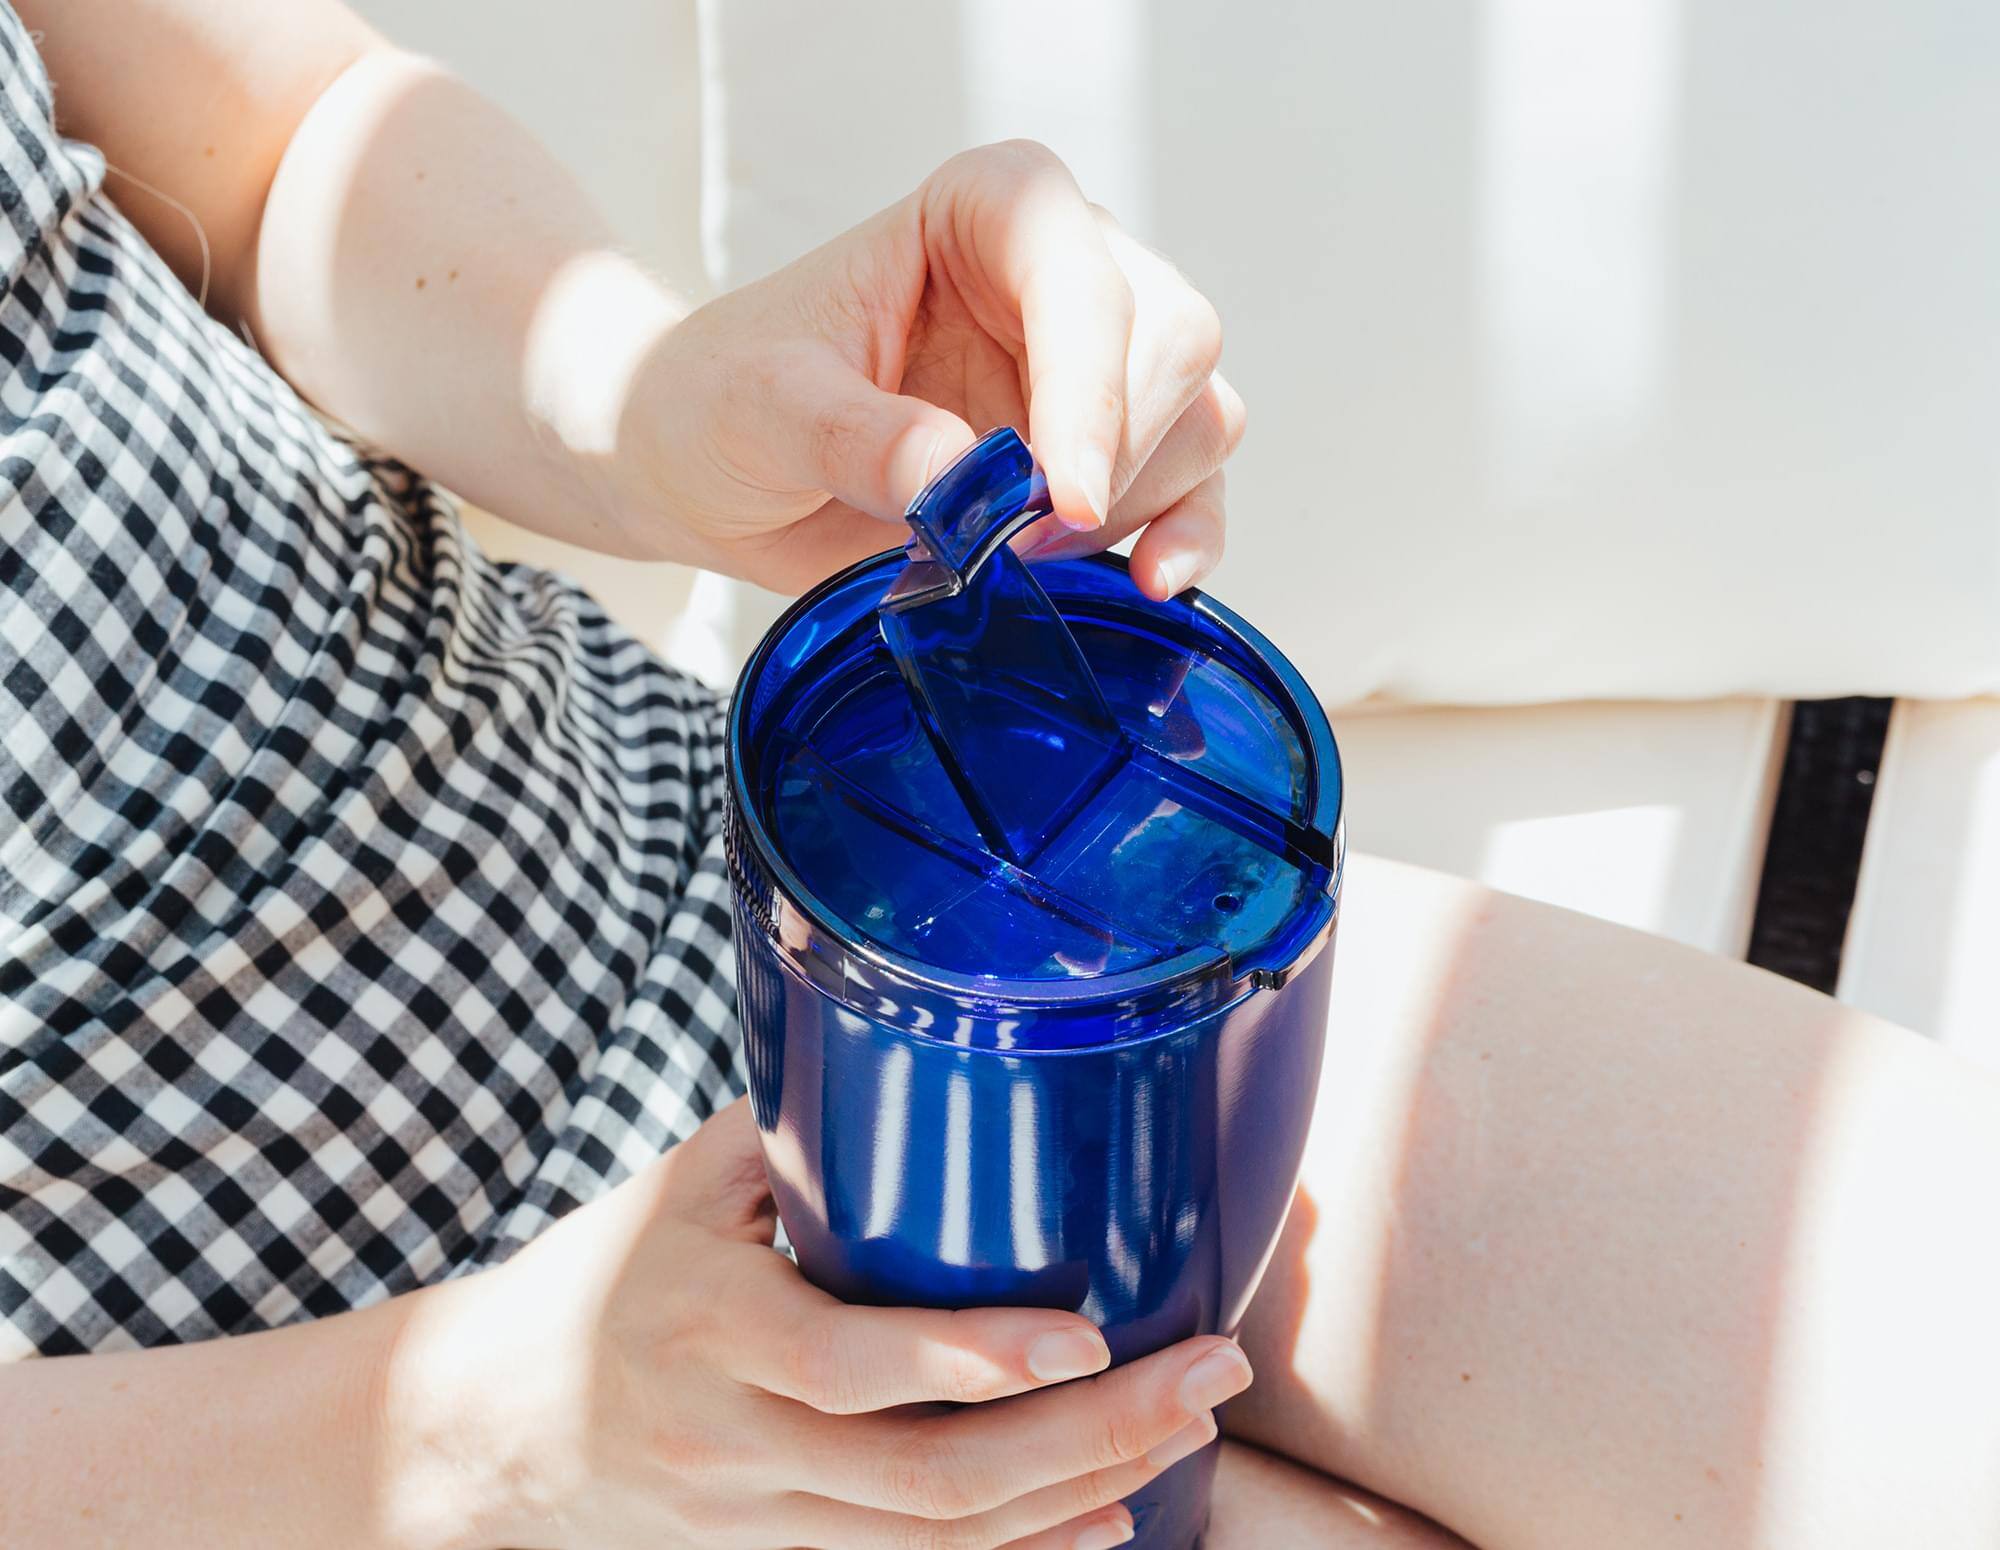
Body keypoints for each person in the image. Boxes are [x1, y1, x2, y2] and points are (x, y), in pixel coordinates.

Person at [6, 4, 2000, 1549]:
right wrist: (467, 1440)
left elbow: (272, 142)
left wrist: (647, 398)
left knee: (1935, 1362)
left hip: (688, 893)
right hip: (256, 1442)